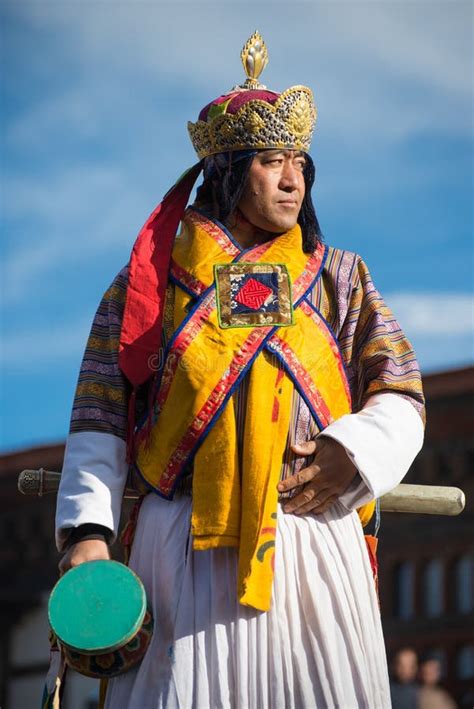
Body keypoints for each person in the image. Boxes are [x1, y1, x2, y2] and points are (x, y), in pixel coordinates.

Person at [55, 32, 425, 708]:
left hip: (312, 541)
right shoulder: (149, 283)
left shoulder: (341, 277)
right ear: (227, 172)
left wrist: (352, 451)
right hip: (180, 551)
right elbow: (100, 415)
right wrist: (87, 535)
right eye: (271, 161)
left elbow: (401, 392)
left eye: (300, 162)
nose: (293, 179)